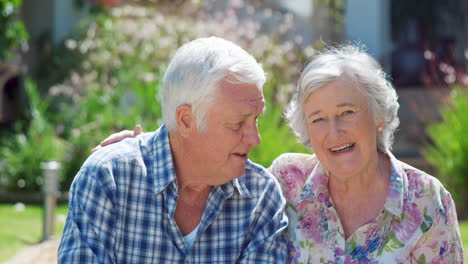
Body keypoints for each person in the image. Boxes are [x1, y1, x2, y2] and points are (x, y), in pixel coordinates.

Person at [104, 44, 464, 263]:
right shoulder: (285, 181)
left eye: (347, 113)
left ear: (378, 117)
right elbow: (207, 164)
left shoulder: (426, 200)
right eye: (318, 119)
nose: (334, 131)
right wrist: (141, 150)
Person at [58, 37, 288, 263]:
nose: (255, 138)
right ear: (186, 120)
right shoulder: (108, 179)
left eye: (256, 119)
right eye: (238, 123)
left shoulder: (261, 196)